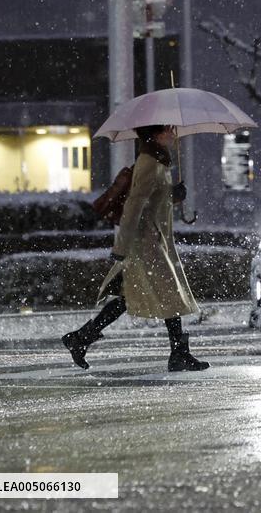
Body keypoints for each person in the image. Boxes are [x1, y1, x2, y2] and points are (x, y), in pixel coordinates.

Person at [62, 124, 208, 372]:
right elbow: (134, 205)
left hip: (153, 239)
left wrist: (172, 195)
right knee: (168, 293)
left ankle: (81, 338)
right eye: (168, 129)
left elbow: (153, 198)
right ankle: (179, 354)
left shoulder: (158, 160)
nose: (173, 133)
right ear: (156, 134)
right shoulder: (148, 161)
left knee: (128, 296)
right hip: (145, 242)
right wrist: (121, 246)